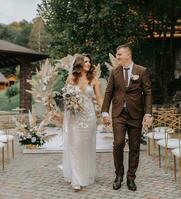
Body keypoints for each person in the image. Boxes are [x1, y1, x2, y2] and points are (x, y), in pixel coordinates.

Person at [101, 44, 153, 191]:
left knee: (134, 147)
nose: (116, 57)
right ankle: (118, 175)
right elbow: (108, 93)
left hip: (136, 114)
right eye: (117, 55)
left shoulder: (141, 71)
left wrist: (148, 113)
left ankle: (131, 178)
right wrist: (105, 112)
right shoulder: (114, 72)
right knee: (118, 144)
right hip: (119, 114)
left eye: (119, 54)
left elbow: (148, 93)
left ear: (128, 55)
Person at [62, 54, 103, 191]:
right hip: (75, 117)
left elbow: (99, 99)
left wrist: (105, 114)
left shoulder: (94, 80)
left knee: (86, 146)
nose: (88, 63)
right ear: (79, 63)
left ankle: (86, 174)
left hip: (89, 117)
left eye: (89, 61)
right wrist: (71, 103)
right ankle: (76, 180)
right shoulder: (71, 79)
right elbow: (66, 98)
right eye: (85, 61)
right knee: (75, 146)